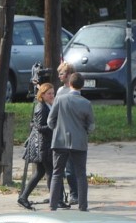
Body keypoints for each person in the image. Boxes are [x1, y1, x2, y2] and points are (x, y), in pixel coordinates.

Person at [47, 72, 95, 212]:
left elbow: (50, 120)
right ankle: (82, 206)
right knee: (81, 174)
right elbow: (91, 125)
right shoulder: (86, 103)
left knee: (57, 173)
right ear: (82, 86)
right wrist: (84, 131)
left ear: (70, 83)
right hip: (79, 143)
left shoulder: (60, 100)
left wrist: (57, 130)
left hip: (60, 141)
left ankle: (53, 205)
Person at [18, 82, 55, 210]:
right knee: (50, 172)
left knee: (40, 172)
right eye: (49, 93)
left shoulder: (48, 105)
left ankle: (23, 197)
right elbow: (39, 127)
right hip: (42, 145)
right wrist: (53, 127)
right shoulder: (41, 107)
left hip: (44, 144)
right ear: (42, 95)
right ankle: (55, 199)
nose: (52, 95)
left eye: (52, 93)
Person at [55, 61, 78, 205]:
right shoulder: (59, 91)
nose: (59, 76)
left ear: (69, 75)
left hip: (72, 133)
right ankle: (58, 195)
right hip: (61, 132)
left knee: (71, 168)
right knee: (60, 168)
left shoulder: (74, 90)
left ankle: (74, 194)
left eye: (61, 73)